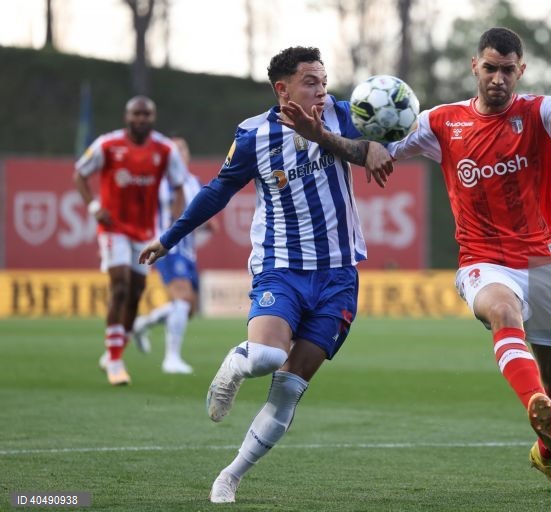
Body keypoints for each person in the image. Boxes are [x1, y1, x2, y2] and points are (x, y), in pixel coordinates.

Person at [294, 28, 551, 495]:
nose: (498, 78)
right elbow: (373, 152)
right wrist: (323, 134)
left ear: (521, 71)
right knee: (502, 311)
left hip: (545, 262)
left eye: (507, 70)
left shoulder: (540, 112)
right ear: (475, 66)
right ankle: (532, 399)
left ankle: (546, 453)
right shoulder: (441, 123)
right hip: (483, 260)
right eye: (490, 68)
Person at [139, 46, 392, 503]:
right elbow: (218, 190)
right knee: (267, 358)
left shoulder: (340, 113)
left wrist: (373, 147)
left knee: (288, 390)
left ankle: (230, 475)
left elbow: (367, 146)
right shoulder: (254, 135)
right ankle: (235, 364)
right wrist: (170, 237)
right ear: (283, 89)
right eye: (310, 81)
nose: (321, 88)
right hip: (282, 267)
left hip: (338, 277)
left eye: (323, 79)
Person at [74, 96, 187, 386]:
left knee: (136, 292)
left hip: (145, 232)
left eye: (146, 115)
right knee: (120, 286)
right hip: (113, 228)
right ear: (127, 117)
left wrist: (171, 225)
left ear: (153, 117)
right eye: (136, 114)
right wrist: (93, 206)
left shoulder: (164, 149)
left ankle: (115, 350)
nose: (141, 119)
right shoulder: (108, 145)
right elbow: (79, 173)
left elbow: (179, 189)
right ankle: (115, 360)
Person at [132, 136, 216, 374]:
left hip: (188, 250)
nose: (179, 154)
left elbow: (204, 213)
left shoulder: (194, 182)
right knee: (181, 300)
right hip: (168, 247)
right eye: (174, 150)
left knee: (188, 308)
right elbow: (173, 213)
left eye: (183, 149)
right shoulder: (164, 181)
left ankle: (142, 323)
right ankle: (171, 359)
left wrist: (209, 222)